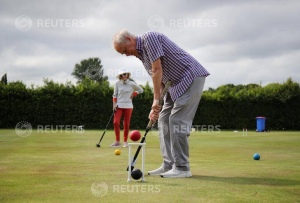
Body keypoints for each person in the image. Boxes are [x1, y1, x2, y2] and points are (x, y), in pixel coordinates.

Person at [113, 30, 210, 178]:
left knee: (177, 120)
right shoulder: (141, 55)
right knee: (163, 118)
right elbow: (160, 78)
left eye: (125, 50)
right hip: (173, 84)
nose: (126, 54)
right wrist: (157, 107)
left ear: (128, 38)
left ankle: (182, 167)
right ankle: (168, 164)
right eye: (123, 53)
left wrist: (155, 100)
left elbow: (157, 69)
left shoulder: (149, 39)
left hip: (190, 77)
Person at [110, 68, 143, 148]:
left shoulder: (132, 83)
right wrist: (114, 105)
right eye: (122, 75)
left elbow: (141, 90)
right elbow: (115, 95)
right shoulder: (117, 83)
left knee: (126, 124)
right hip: (119, 105)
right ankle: (117, 141)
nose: (123, 76)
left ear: (127, 75)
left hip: (128, 106)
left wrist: (134, 93)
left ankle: (125, 142)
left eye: (125, 74)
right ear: (120, 76)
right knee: (115, 122)